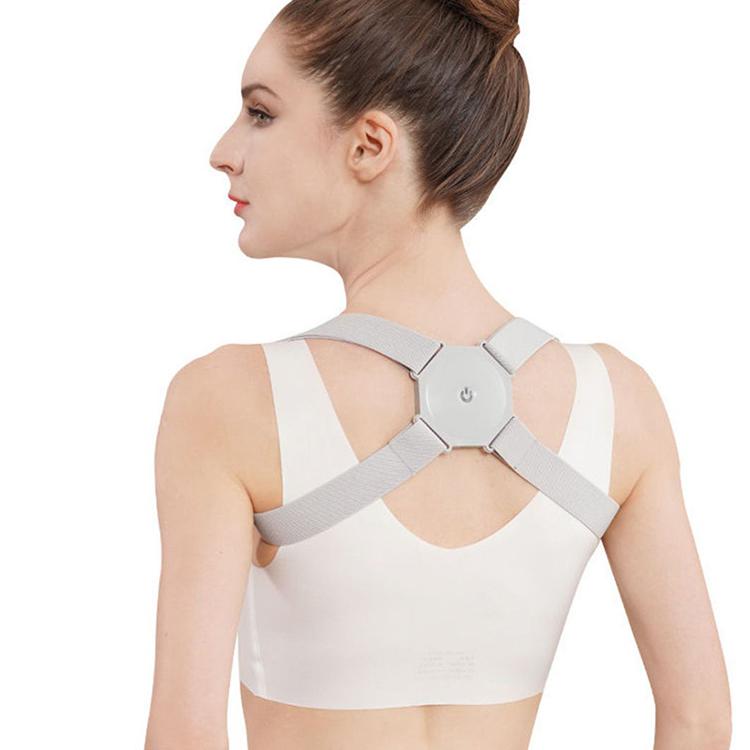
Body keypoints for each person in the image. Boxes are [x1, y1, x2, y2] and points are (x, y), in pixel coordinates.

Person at [144, 2, 731, 749]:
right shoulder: (618, 401)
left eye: (260, 113)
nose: (224, 152)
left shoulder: (228, 398)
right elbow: (700, 720)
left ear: (369, 145)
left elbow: (184, 734)